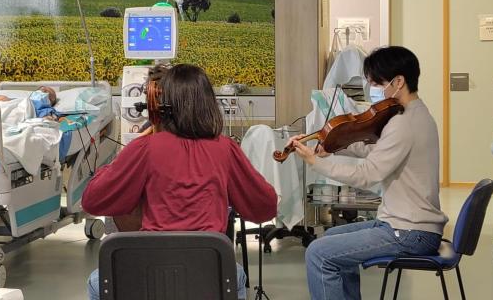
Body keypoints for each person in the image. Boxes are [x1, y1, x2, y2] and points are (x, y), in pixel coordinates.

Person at [81, 64, 278, 300]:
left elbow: (92, 201)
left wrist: (125, 155)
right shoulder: (225, 149)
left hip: (151, 271)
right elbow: (265, 208)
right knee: (235, 276)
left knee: (97, 283)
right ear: (208, 104)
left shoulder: (144, 148)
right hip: (207, 272)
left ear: (165, 105)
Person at [287, 46, 448, 300]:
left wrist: (315, 163)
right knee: (331, 238)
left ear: (398, 82)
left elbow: (367, 174)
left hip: (409, 232)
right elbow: (376, 148)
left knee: (318, 253)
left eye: (376, 83)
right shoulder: (416, 114)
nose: (372, 89)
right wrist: (332, 148)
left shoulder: (403, 124)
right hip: (404, 225)